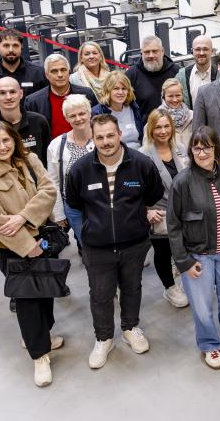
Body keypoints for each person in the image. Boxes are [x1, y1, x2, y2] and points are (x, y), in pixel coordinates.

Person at [66, 114, 164, 369]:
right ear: (93, 138)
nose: (106, 142)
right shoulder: (80, 169)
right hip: (97, 247)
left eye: (110, 135)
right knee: (100, 294)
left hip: (134, 242)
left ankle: (131, 327)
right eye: (100, 137)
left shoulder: (141, 164)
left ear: (119, 134)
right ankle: (104, 338)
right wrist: (85, 234)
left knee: (132, 288)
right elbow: (74, 207)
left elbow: (154, 193)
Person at [0, 122, 60, 387]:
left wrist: (22, 216)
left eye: (6, 141)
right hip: (12, 248)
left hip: (42, 239)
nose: (2, 147)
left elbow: (49, 190)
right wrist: (26, 245)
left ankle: (41, 335)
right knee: (28, 300)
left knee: (46, 292)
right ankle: (39, 355)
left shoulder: (29, 160)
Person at [168, 126, 220, 369]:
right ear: (191, 150)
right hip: (199, 256)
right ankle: (209, 344)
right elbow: (173, 225)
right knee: (202, 308)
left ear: (216, 147)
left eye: (206, 146)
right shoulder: (182, 182)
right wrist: (184, 262)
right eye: (196, 147)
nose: (202, 152)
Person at [140, 109, 191, 309]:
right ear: (151, 129)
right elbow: (137, 189)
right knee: (163, 251)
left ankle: (183, 276)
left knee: (183, 247)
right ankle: (169, 287)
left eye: (166, 126)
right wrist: (146, 211)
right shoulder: (143, 155)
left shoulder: (179, 147)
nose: (163, 131)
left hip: (183, 210)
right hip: (159, 212)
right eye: (158, 127)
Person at [45, 94, 94, 246]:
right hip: (74, 207)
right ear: (66, 118)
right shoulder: (56, 145)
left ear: (89, 113)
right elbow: (53, 180)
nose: (78, 118)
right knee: (87, 244)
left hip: (102, 203)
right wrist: (59, 214)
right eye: (72, 116)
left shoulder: (102, 138)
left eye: (82, 113)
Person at [0, 28, 48, 124]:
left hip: (33, 130)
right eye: (6, 45)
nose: (11, 50)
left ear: (22, 47)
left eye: (15, 45)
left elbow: (46, 105)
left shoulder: (38, 73)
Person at [0, 77, 51, 165]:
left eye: (12, 92)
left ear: (21, 94)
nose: (8, 97)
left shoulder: (39, 122)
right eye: (2, 93)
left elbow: (47, 159)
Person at [24, 53, 97, 139]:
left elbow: (96, 122)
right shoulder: (33, 102)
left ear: (69, 72)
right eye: (54, 71)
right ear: (47, 75)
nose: (60, 75)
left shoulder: (86, 94)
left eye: (63, 70)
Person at [126, 35, 180, 120]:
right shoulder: (131, 75)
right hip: (144, 130)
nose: (151, 55)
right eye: (147, 52)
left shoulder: (177, 72)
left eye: (155, 51)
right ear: (141, 53)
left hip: (174, 127)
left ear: (162, 51)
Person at [91, 71, 145, 149]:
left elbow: (141, 137)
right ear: (108, 91)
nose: (120, 92)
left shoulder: (133, 107)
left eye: (124, 88)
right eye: (116, 88)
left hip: (138, 154)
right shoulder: (98, 112)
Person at [177, 34, 217, 108]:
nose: (201, 53)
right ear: (192, 51)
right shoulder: (182, 76)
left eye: (205, 49)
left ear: (212, 51)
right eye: (198, 49)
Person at [157, 78, 194, 148]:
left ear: (182, 95)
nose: (175, 100)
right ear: (163, 97)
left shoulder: (192, 116)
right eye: (170, 96)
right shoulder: (156, 118)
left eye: (178, 95)